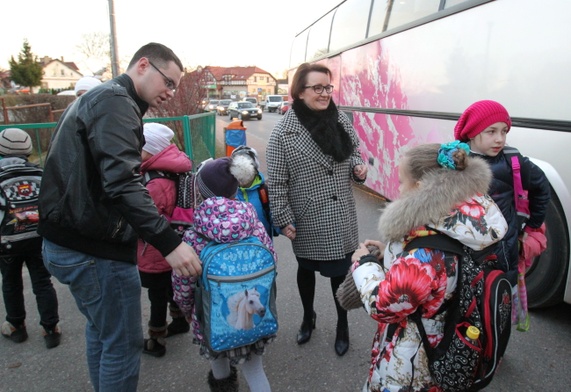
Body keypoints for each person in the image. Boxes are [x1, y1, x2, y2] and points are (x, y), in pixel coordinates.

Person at [38, 43, 202, 392]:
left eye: (175, 87)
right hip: (95, 251)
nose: (171, 94)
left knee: (102, 332)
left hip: (70, 241)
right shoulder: (115, 102)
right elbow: (123, 182)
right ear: (143, 65)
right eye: (168, 82)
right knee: (123, 345)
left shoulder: (101, 99)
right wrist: (169, 242)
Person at [348, 142, 507, 391]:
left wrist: (363, 263)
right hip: (445, 335)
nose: (398, 188)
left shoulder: (424, 256)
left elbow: (384, 306)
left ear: (420, 188)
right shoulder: (461, 220)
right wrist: (390, 253)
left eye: (402, 182)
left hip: (415, 356)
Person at [265, 62, 367, 356]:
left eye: (328, 87)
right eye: (317, 88)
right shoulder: (283, 134)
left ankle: (342, 325)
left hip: (340, 214)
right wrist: (283, 219)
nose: (325, 94)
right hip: (307, 216)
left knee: (339, 273)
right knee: (305, 269)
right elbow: (277, 183)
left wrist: (359, 169)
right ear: (299, 92)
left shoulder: (340, 121)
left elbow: (355, 152)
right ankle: (308, 317)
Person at [172, 157, 275, 392]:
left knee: (219, 367)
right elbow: (272, 264)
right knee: (256, 370)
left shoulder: (194, 236)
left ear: (201, 192)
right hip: (254, 323)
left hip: (210, 322)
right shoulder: (254, 225)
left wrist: (188, 311)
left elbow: (183, 283)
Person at [454, 100, 550, 284]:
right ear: (472, 133)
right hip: (464, 254)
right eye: (491, 131)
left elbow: (542, 187)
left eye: (504, 131)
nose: (500, 138)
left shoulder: (512, 161)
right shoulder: (455, 162)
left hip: (504, 256)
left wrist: (532, 225)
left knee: (499, 301)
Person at [0, 128, 61, 349]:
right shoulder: (39, 174)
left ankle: (17, 326)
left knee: (11, 283)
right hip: (38, 238)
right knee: (42, 282)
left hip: (7, 243)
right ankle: (50, 328)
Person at [138, 123, 191, 358]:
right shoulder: (171, 171)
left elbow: (146, 221)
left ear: (151, 150)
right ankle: (179, 320)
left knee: (157, 295)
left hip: (156, 249)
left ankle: (156, 339)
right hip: (175, 242)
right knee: (171, 286)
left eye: (139, 147)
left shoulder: (154, 183)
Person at [231, 145, 277, 238]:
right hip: (238, 247)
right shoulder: (230, 193)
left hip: (262, 246)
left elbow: (275, 216)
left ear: (255, 170)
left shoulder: (263, 191)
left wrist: (285, 226)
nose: (242, 176)